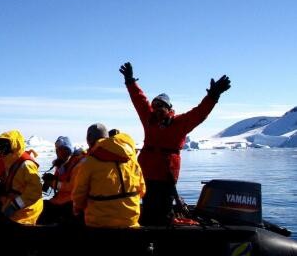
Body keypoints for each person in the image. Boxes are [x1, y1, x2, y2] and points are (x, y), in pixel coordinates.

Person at [119, 62, 231, 225]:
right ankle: (147, 233)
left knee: (163, 208)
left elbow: (199, 113)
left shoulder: (180, 124)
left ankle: (163, 234)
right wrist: (130, 81)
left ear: (168, 108)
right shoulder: (149, 120)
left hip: (166, 174)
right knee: (148, 205)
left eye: (161, 106)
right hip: (146, 172)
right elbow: (139, 100)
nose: (156, 109)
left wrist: (213, 96)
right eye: (155, 105)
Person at [71, 130, 146, 228]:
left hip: (99, 222)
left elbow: (79, 194)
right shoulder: (132, 161)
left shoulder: (89, 163)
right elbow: (142, 190)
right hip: (130, 221)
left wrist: (77, 209)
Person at [0, 130, 43, 225]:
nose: (2, 149)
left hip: (27, 206)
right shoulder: (0, 162)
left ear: (14, 145)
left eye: (5, 145)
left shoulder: (26, 164)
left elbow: (35, 192)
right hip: (8, 201)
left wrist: (15, 206)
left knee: (7, 222)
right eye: (0, 146)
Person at [41, 136, 86, 221]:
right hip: (61, 199)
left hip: (72, 202)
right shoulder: (61, 164)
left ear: (70, 151)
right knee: (41, 208)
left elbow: (74, 187)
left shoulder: (79, 164)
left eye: (65, 150)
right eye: (58, 150)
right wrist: (52, 179)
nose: (61, 153)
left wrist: (53, 183)